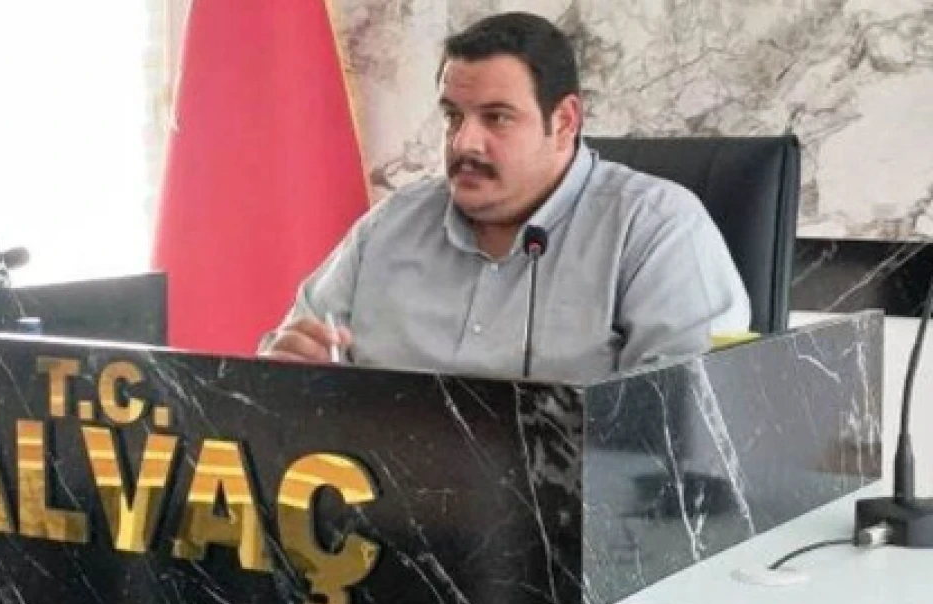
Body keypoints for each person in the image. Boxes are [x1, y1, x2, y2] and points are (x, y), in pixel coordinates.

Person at [260, 12, 750, 382]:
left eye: (496, 117)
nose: (464, 143)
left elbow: (690, 426)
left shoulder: (656, 228)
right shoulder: (391, 226)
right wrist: (287, 370)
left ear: (564, 121)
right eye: (453, 116)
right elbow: (285, 357)